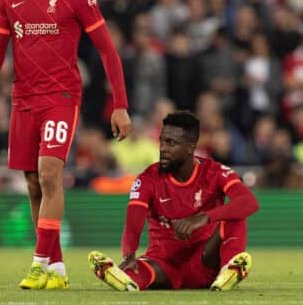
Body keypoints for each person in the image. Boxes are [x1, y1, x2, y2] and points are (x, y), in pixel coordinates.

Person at [0, 0, 131, 290]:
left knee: (50, 174)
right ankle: (55, 268)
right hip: (23, 99)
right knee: (33, 184)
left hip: (61, 97)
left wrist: (120, 104)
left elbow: (107, 51)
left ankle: (38, 262)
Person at [88, 110, 260, 291]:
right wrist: (128, 254)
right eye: (162, 140)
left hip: (203, 262)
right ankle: (125, 278)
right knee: (141, 267)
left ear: (190, 146)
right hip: (164, 264)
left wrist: (203, 217)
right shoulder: (148, 178)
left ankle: (228, 271)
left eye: (171, 143)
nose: (162, 148)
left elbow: (249, 202)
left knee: (236, 211)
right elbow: (134, 221)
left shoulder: (215, 172)